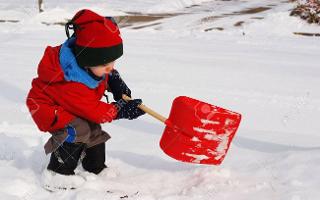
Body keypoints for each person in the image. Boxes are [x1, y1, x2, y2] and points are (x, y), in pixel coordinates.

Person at [26, 9, 145, 191]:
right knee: (78, 129)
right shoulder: (71, 82)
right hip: (48, 107)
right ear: (86, 61)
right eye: (105, 65)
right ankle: (57, 173)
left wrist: (114, 82)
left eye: (113, 63)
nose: (110, 68)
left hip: (73, 103)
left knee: (93, 129)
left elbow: (100, 73)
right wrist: (120, 109)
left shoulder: (89, 62)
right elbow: (95, 111)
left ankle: (94, 167)